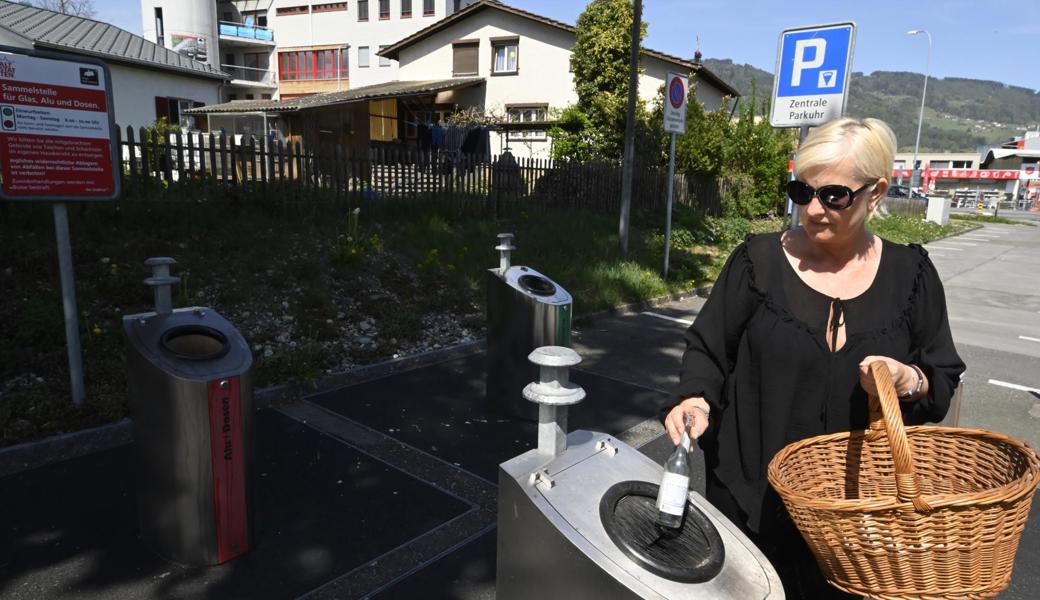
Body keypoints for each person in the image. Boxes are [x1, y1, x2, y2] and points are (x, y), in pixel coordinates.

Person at [663, 117, 965, 599]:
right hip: (750, 505)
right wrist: (696, 400)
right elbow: (708, 349)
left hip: (858, 525)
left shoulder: (912, 276)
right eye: (802, 192)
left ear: (877, 192)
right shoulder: (756, 263)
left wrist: (909, 380)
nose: (814, 209)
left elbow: (941, 377)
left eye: (834, 195)